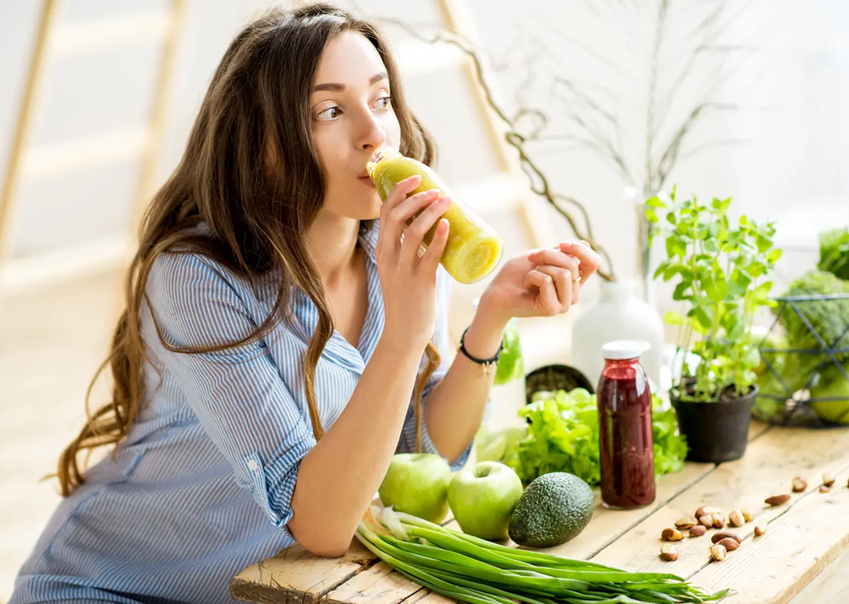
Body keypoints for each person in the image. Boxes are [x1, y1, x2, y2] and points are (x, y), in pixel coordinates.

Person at [10, 4, 599, 603]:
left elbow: (417, 455)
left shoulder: (392, 249)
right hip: (112, 588)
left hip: (261, 590)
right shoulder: (195, 280)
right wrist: (404, 332)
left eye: (382, 98)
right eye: (331, 111)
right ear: (266, 144)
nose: (373, 132)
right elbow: (319, 524)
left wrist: (489, 318)